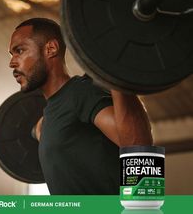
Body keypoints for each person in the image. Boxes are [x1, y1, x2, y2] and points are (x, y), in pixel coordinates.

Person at [9, 18, 153, 194]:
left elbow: (138, 147)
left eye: (20, 51)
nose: (12, 63)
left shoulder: (81, 93)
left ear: (50, 49)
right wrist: (37, 130)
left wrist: (115, 71)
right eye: (11, 55)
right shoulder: (50, 114)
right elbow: (50, 131)